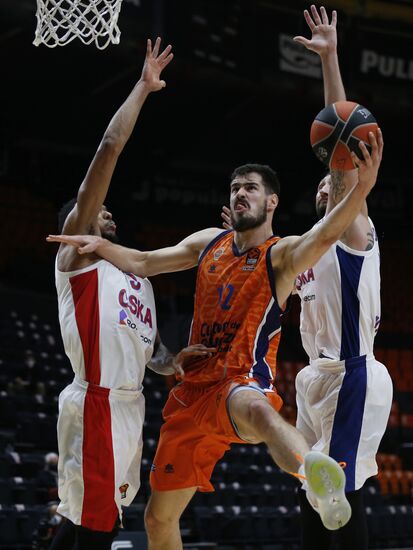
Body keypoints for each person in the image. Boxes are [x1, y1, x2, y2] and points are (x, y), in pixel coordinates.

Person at [47, 77, 383, 550]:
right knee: (159, 521)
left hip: (239, 380)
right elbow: (144, 261)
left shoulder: (281, 254)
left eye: (250, 188)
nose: (239, 194)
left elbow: (324, 236)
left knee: (258, 413)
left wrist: (358, 190)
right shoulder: (209, 242)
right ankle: (310, 470)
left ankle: (315, 474)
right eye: (234, 188)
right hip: (189, 394)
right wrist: (100, 243)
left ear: (272, 203)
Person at [47, 38, 214, 550]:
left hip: (129, 406)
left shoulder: (136, 276)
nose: (109, 214)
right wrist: (142, 89)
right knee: (98, 528)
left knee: (86, 519)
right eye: (101, 212)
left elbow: (148, 348)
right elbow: (108, 150)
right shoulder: (79, 256)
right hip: (96, 401)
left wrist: (170, 362)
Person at [292, 6, 393, 550]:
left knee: (343, 496)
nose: (326, 188)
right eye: (322, 190)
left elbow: (343, 148)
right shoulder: (308, 249)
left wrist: (330, 59)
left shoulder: (354, 231)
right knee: (311, 490)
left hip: (354, 372)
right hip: (316, 377)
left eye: (336, 186)